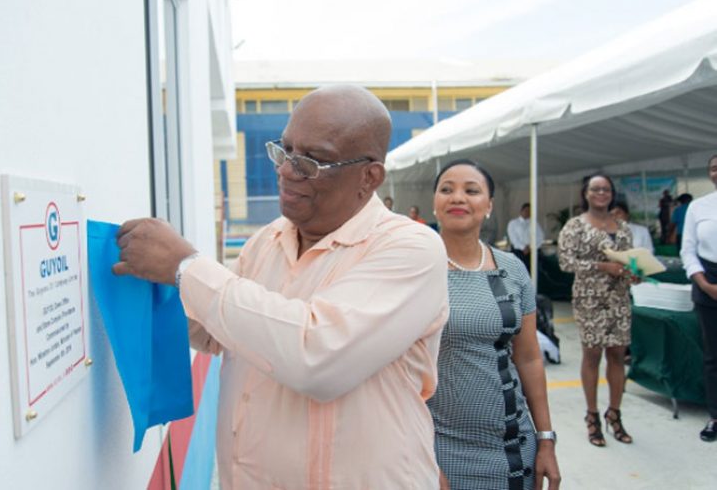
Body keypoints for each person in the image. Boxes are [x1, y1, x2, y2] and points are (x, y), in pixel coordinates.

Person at [112, 85, 449, 489]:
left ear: (369, 177)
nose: (287, 170)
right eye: (284, 151)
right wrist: (148, 284)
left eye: (312, 161)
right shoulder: (269, 240)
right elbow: (222, 329)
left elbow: (316, 357)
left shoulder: (410, 248)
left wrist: (186, 267)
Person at [427, 159, 561, 490]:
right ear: (435, 203)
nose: (458, 197)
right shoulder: (414, 267)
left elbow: (528, 358)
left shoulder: (512, 269)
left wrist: (546, 440)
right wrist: (418, 457)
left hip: (514, 446)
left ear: (488, 206)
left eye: (471, 191)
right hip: (437, 446)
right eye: (447, 189)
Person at [558, 174, 637, 447]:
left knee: (617, 354)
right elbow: (565, 262)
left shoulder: (624, 228)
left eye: (606, 189)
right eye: (596, 189)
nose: (601, 193)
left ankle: (614, 414)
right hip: (589, 299)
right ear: (586, 193)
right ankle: (592, 416)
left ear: (612, 193)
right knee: (592, 355)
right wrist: (601, 266)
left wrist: (634, 273)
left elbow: (629, 261)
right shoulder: (575, 226)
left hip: (618, 298)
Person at [681, 154, 717, 442]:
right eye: (714, 167)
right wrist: (705, 284)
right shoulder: (698, 207)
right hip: (709, 284)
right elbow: (688, 251)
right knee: (713, 357)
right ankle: (715, 415)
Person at [507, 202, 545, 272]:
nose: (527, 213)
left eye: (530, 211)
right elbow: (513, 238)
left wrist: (532, 247)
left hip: (532, 250)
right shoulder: (513, 223)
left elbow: (540, 237)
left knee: (537, 267)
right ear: (521, 211)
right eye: (526, 211)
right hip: (519, 251)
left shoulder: (535, 223)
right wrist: (523, 247)